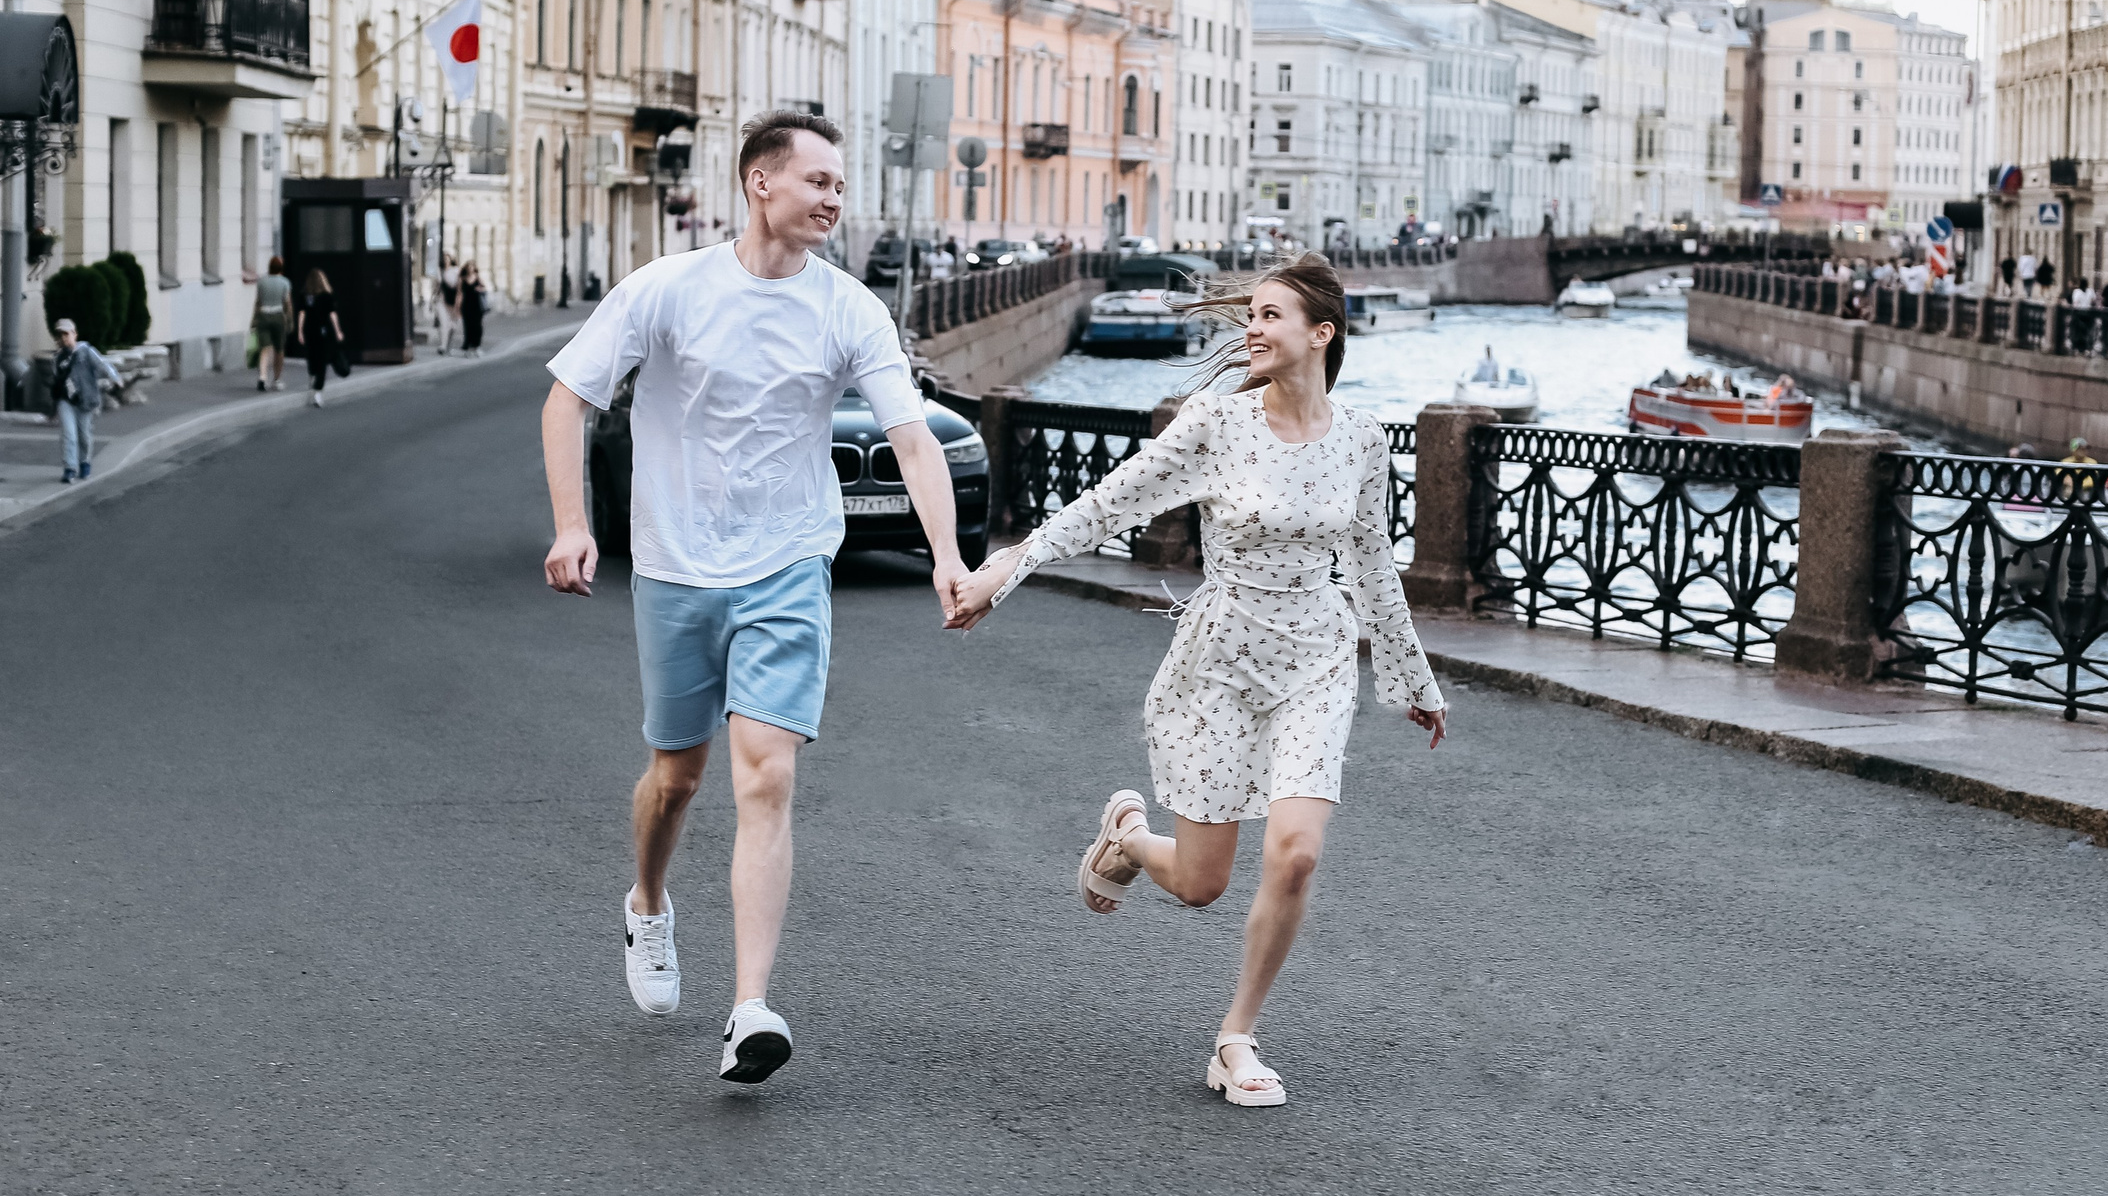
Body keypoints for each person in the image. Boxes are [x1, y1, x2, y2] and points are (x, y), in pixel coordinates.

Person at [950, 253, 1449, 1110]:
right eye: (1249, 314)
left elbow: (1372, 564)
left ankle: (1236, 1038)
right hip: (1220, 660)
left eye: (1270, 315)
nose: (1251, 328)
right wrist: (1009, 566)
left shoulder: (1364, 440)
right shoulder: (1217, 423)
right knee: (1200, 883)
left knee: (1296, 854)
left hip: (1316, 658)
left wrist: (1415, 681)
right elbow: (1109, 503)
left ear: (1321, 334)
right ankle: (1127, 837)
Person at [539, 109, 971, 1087]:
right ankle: (648, 903)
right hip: (675, 567)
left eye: (840, 185)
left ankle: (750, 1009)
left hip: (787, 565)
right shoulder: (668, 289)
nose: (833, 199)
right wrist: (572, 523)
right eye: (818, 181)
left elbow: (910, 438)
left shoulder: (848, 308)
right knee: (676, 777)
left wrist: (945, 552)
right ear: (759, 182)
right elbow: (569, 397)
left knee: (766, 775)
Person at [48, 317, 120, 483]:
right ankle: (69, 468)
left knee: (84, 435)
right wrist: (53, 406)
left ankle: (84, 462)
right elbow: (56, 381)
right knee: (69, 435)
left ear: (75, 334)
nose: (63, 338)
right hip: (66, 400)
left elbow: (102, 364)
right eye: (60, 335)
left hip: (85, 400)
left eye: (66, 334)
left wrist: (115, 377)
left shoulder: (86, 351)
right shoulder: (57, 358)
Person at [300, 269, 349, 407]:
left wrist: (300, 331)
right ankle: (318, 391)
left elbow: (302, 314)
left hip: (309, 331)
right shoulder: (327, 296)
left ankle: (312, 376)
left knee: (312, 356)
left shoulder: (306, 296)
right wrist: (338, 331)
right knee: (322, 360)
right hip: (323, 331)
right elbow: (332, 315)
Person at [253, 257, 292, 391]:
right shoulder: (285, 282)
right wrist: (289, 320)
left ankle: (262, 377)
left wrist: (254, 319)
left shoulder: (261, 282)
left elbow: (258, 302)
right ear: (281, 268)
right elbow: (287, 303)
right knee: (279, 349)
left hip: (263, 315)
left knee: (264, 348)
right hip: (277, 316)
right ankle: (276, 379)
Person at [458, 263, 488, 356]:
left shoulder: (478, 278)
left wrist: (480, 289)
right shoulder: (462, 279)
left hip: (477, 306)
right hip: (466, 305)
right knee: (467, 326)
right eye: (469, 267)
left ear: (474, 268)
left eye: (472, 267)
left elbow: (485, 288)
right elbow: (460, 294)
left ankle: (476, 345)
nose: (470, 269)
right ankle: (467, 346)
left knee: (477, 326)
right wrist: (457, 306)